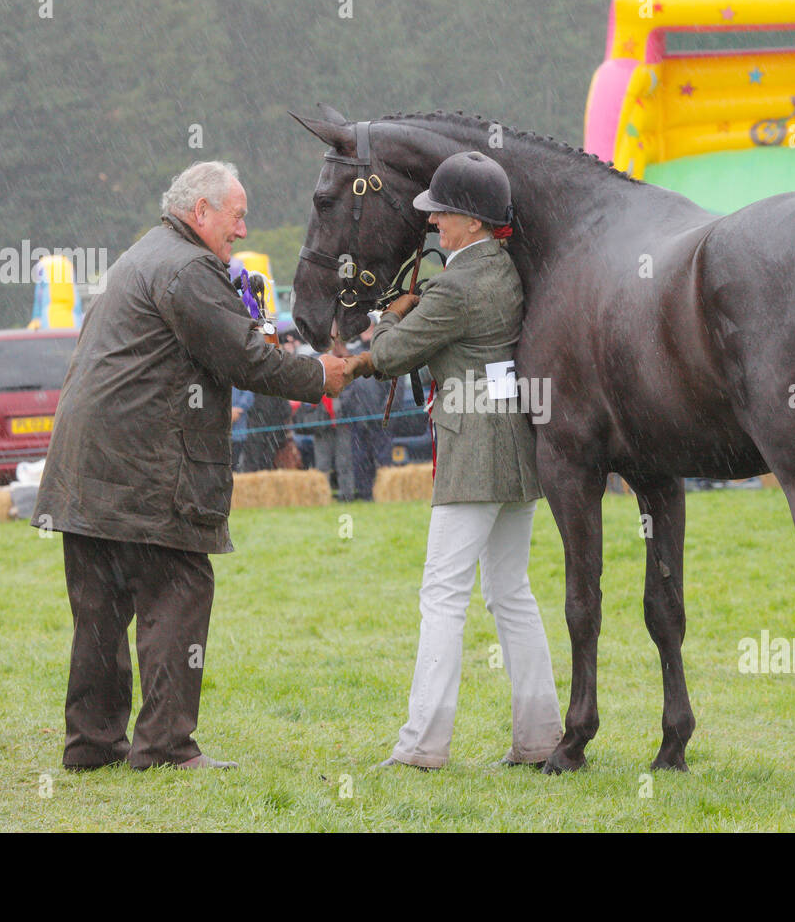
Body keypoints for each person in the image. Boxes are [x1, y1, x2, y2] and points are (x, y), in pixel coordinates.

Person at [33, 161, 353, 772]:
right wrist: (320, 376)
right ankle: (165, 747)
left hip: (83, 469)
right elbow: (247, 360)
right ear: (199, 212)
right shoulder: (188, 269)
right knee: (177, 589)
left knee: (99, 609)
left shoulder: (140, 256)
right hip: (145, 467)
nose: (242, 228)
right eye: (236, 215)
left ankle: (93, 744)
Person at [355, 150, 562, 769]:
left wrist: (388, 318)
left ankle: (423, 744)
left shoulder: (454, 286)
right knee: (510, 592)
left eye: (442, 214)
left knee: (443, 594)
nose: (435, 223)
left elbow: (391, 356)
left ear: (471, 222)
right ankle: (539, 736)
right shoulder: (503, 269)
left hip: (472, 448)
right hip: (515, 448)